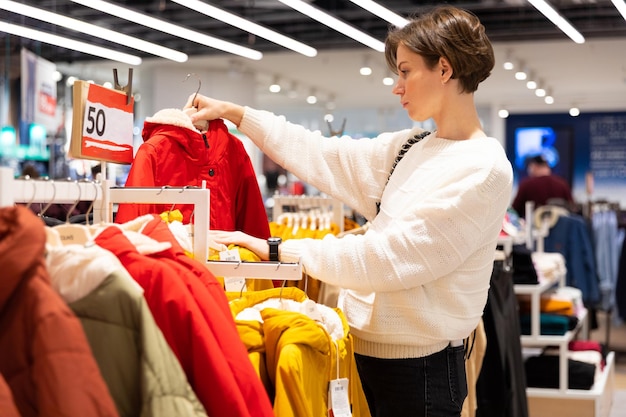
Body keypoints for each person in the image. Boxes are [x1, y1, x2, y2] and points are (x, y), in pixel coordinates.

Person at [185, 5, 513, 416]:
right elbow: (320, 153)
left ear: (444, 70)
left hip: (422, 374)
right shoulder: (409, 148)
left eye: (406, 71)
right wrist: (238, 115)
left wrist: (276, 250)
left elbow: (388, 259)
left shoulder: (483, 169)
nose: (397, 86)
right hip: (358, 354)